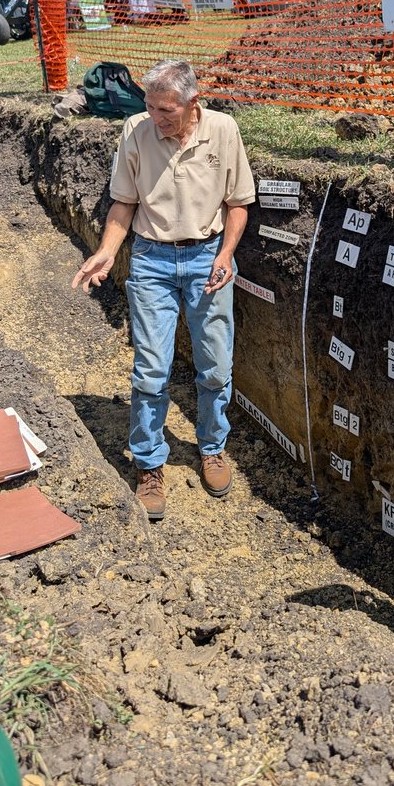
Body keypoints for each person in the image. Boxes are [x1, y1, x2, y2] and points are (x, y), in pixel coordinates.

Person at [72, 59, 255, 520]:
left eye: (166, 111)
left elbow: (237, 205)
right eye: (151, 107)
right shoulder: (135, 130)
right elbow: (124, 204)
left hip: (206, 257)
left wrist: (226, 253)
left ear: (194, 103)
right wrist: (108, 251)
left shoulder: (224, 130)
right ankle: (150, 464)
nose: (156, 118)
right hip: (152, 258)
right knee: (152, 370)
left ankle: (212, 447)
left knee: (215, 366)